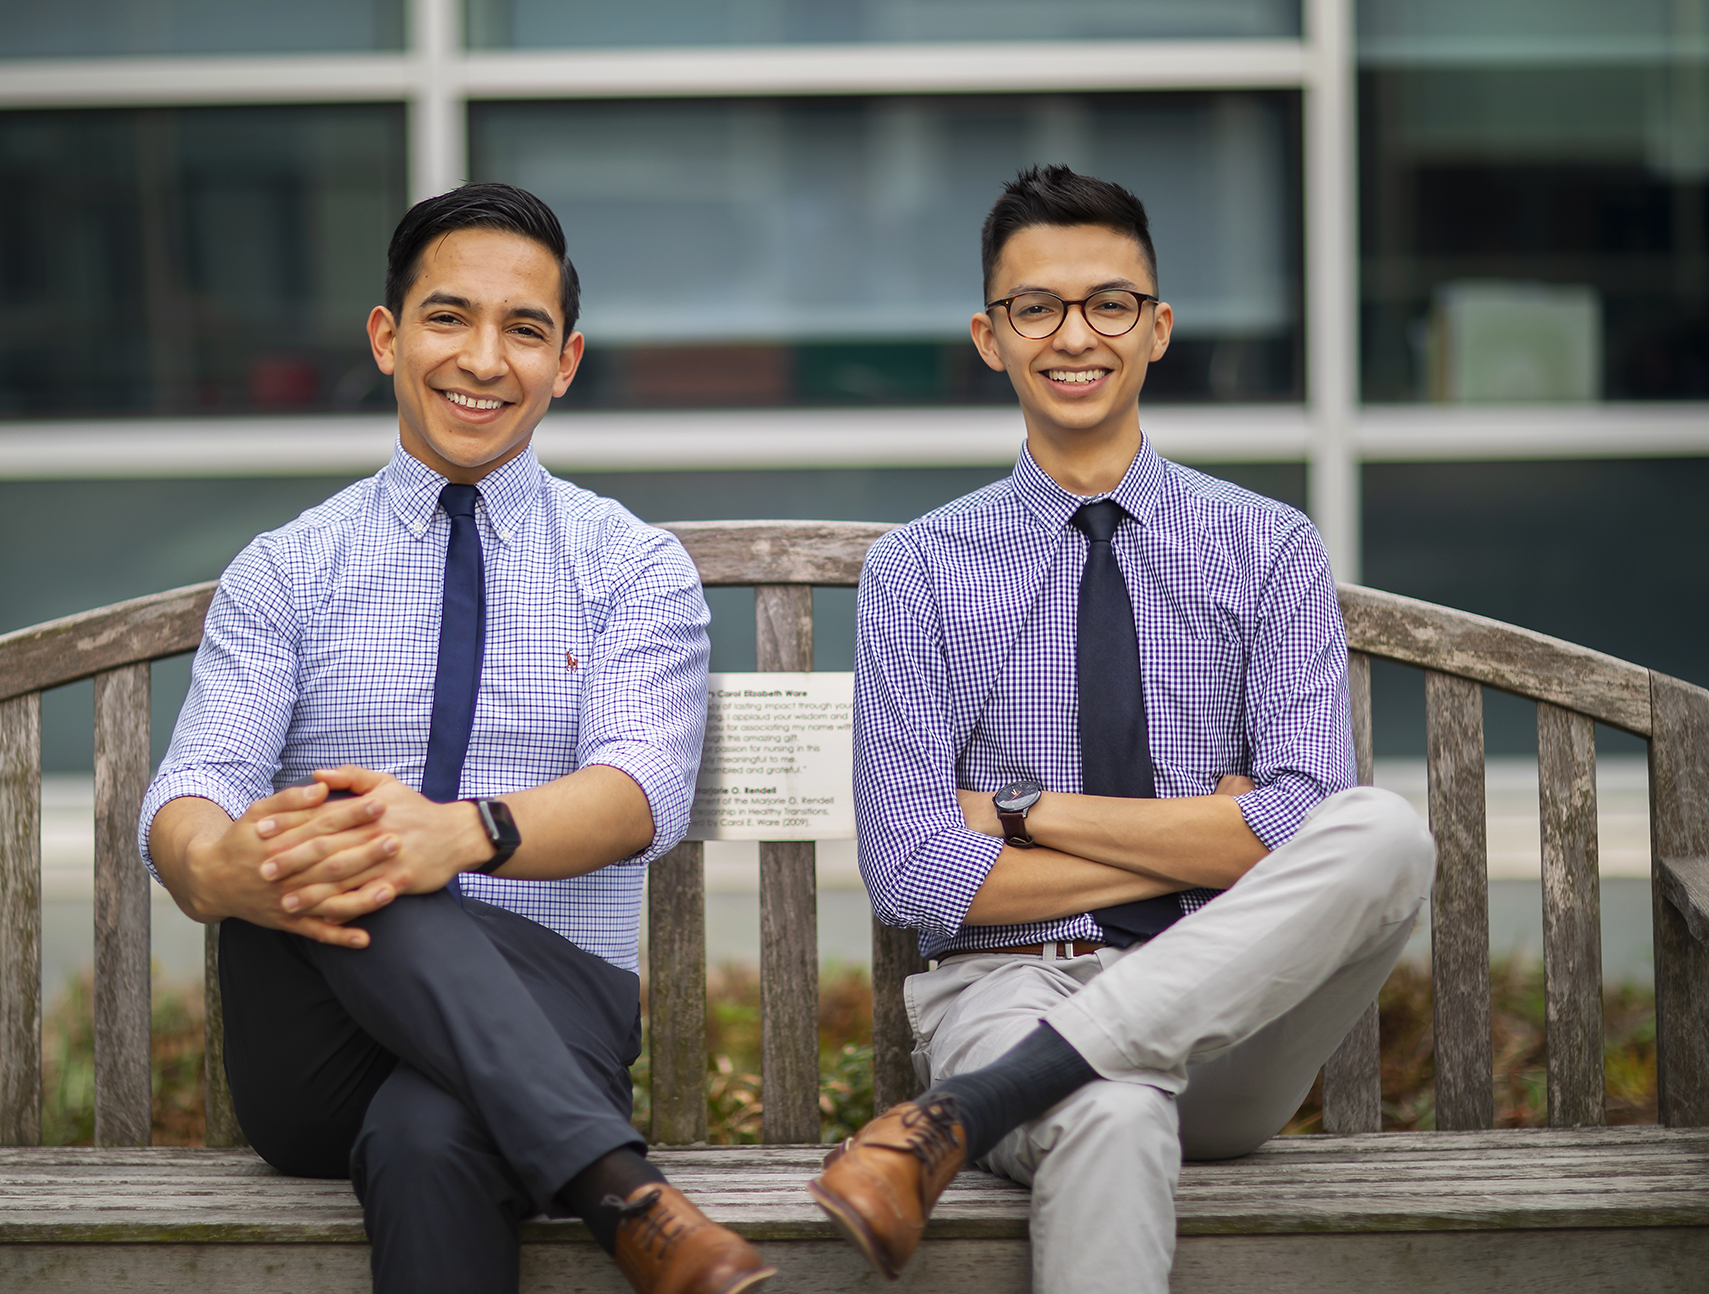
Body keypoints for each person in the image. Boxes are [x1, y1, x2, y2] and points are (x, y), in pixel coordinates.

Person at [138, 182, 775, 1294]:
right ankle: (627, 1193)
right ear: (388, 337)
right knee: (341, 827)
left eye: (522, 330)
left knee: (430, 1136)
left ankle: (610, 1189)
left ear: (564, 362)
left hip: (554, 1001)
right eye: (448, 318)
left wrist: (461, 835)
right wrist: (210, 864)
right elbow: (196, 782)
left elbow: (638, 794)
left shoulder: (629, 568)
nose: (482, 359)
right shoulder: (289, 569)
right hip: (317, 1041)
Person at [809, 165, 1434, 1294]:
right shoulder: (917, 570)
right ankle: (1015, 1082)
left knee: (1383, 832)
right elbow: (910, 871)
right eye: (1033, 307)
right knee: (1104, 1110)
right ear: (988, 337)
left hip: (1232, 1021)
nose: (1072, 336)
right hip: (1006, 991)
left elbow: (1298, 828)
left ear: (1156, 329)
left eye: (1107, 303)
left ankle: (961, 1115)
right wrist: (1210, 835)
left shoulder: (1267, 548)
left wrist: (1018, 814)